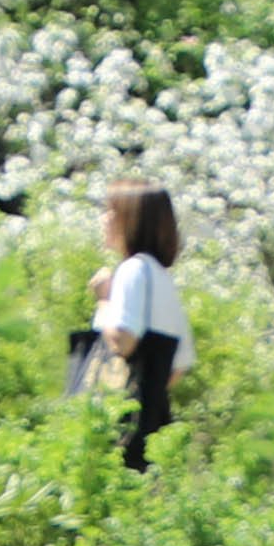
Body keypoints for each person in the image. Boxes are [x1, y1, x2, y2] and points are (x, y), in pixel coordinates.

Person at [81, 178, 189, 464]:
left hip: (118, 423)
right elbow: (178, 367)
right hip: (151, 423)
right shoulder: (162, 277)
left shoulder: (131, 270)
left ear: (132, 220)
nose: (103, 219)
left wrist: (104, 298)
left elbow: (123, 341)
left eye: (111, 212)